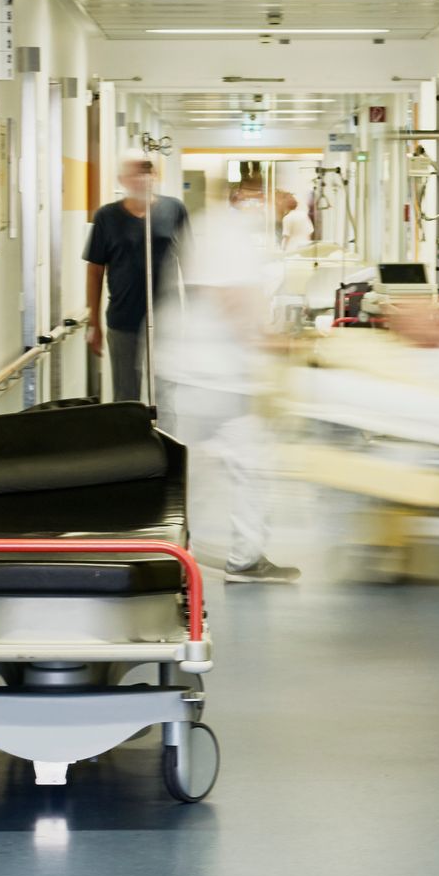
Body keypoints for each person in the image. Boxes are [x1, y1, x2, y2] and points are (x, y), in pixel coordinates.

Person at [156, 177, 296, 581]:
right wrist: (270, 341)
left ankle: (176, 553)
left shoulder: (209, 225)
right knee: (250, 466)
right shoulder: (229, 234)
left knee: (200, 470)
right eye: (273, 201)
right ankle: (243, 558)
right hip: (219, 376)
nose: (276, 209)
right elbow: (231, 299)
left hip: (196, 372)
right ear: (249, 199)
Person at [82, 154, 186, 405]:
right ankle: (131, 443)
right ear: (122, 180)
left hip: (165, 318)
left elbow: (189, 261)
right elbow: (95, 271)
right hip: (123, 319)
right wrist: (93, 322)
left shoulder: (174, 209)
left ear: (155, 175)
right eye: (136, 173)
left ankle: (163, 443)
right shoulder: (106, 217)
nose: (143, 178)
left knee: (164, 395)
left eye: (147, 172)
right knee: (126, 397)